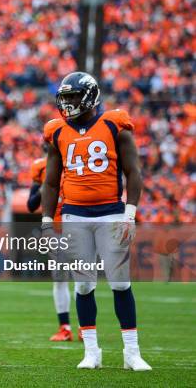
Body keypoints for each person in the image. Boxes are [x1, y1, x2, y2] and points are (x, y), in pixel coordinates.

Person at [41, 72, 151, 371]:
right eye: (66, 97)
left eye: (74, 96)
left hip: (111, 212)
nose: (68, 103)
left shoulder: (115, 124)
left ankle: (132, 353)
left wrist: (130, 212)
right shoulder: (58, 132)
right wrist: (47, 220)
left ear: (90, 96)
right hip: (75, 214)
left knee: (120, 282)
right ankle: (92, 352)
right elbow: (50, 183)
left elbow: (134, 172)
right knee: (84, 286)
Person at [28, 151, 76, 342]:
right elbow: (31, 205)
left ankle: (86, 327)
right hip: (55, 228)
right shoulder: (40, 166)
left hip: (79, 224)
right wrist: (44, 187)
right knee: (60, 278)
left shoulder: (77, 160)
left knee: (84, 277)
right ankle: (65, 327)